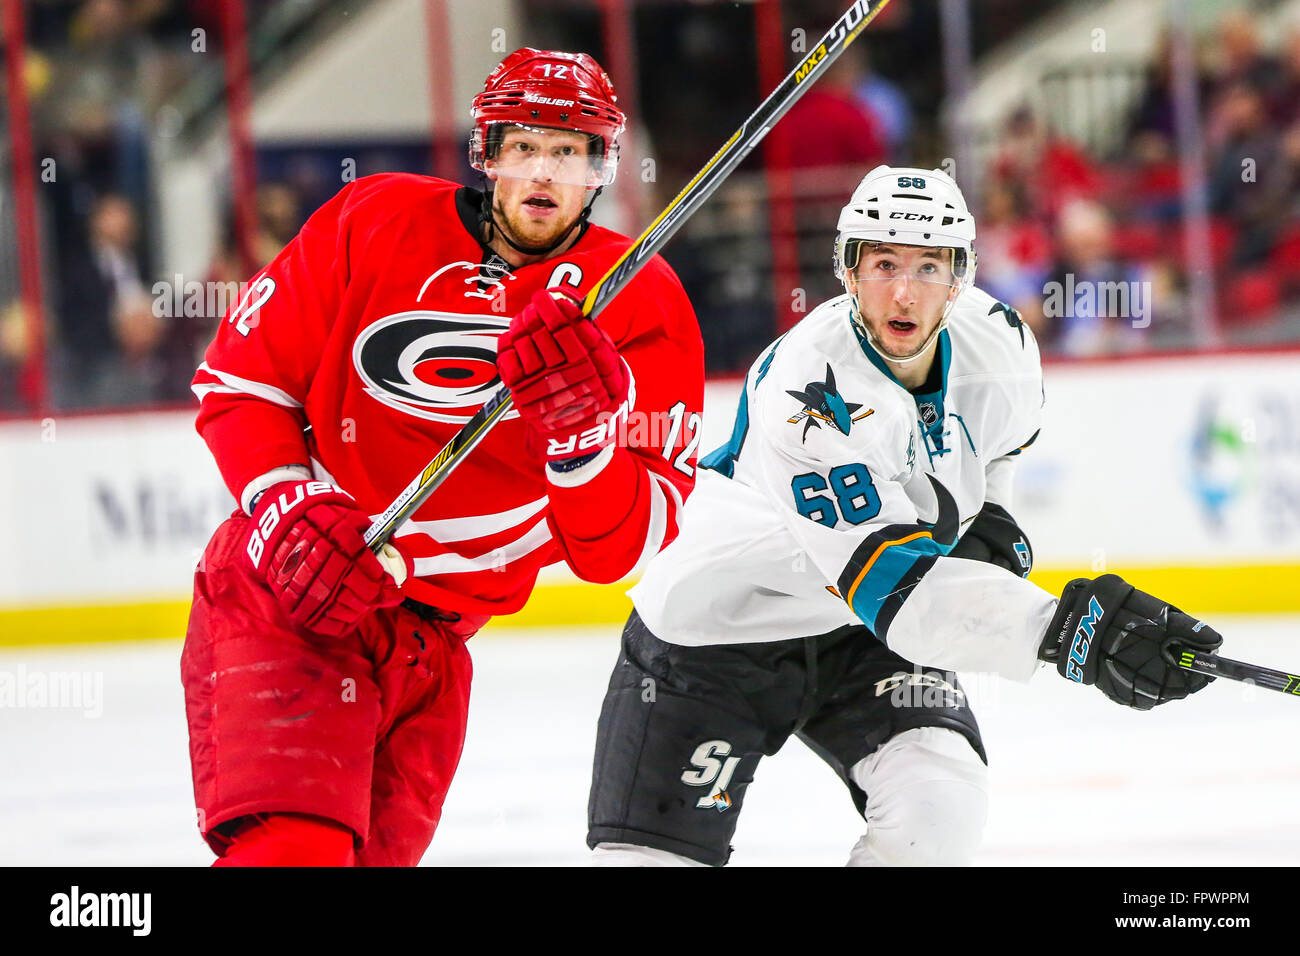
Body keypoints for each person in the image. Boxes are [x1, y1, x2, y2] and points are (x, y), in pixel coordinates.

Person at [585, 166, 1223, 867]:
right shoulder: (809, 394)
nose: (903, 290)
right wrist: (1068, 628)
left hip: (858, 632)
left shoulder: (1000, 342)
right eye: (883, 262)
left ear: (961, 277)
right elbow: (897, 589)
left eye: (928, 266)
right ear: (848, 271)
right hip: (716, 632)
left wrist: (992, 523)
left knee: (939, 811)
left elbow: (1002, 447)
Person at [183, 48, 704, 866]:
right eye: (523, 145)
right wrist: (289, 507)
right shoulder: (373, 219)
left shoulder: (644, 302)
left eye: (568, 151)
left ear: (599, 166)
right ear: (486, 151)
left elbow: (620, 554)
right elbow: (239, 385)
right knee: (292, 854)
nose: (543, 171)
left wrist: (579, 443)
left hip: (435, 652)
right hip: (298, 597)